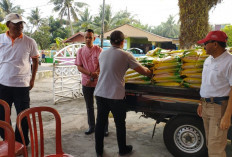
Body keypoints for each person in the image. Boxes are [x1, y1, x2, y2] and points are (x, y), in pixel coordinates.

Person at [94, 30, 152, 157]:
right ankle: (122, 149)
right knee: (120, 123)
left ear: (110, 41)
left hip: (100, 93)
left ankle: (98, 150)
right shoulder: (126, 55)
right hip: (115, 95)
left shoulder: (102, 54)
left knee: (100, 122)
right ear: (122, 42)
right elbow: (142, 71)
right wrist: (150, 72)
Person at [0, 13, 39, 146]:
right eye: (16, 23)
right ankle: (8, 141)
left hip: (22, 85)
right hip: (3, 84)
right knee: (2, 115)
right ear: (8, 25)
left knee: (23, 116)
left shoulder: (29, 41)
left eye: (21, 23)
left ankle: (21, 142)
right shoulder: (0, 39)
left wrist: (32, 79)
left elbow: (35, 60)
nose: (20, 26)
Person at [197, 31, 232, 157]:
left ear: (215, 44)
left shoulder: (229, 62)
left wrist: (227, 116)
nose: (204, 46)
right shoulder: (208, 60)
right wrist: (201, 102)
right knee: (210, 144)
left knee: (215, 148)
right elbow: (206, 83)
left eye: (206, 43)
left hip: (218, 107)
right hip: (206, 106)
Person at [75, 29, 109, 136]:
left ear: (94, 38)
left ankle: (104, 128)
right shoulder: (80, 51)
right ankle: (92, 127)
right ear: (84, 38)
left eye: (90, 37)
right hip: (86, 83)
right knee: (89, 106)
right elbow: (79, 67)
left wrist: (96, 73)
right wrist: (90, 74)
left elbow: (103, 65)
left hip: (99, 83)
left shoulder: (99, 50)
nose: (88, 39)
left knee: (102, 106)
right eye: (86, 37)